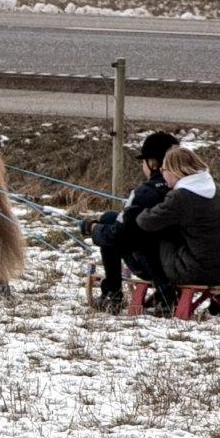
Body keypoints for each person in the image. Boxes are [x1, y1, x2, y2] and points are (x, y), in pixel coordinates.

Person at [79, 131, 179, 313]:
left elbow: (117, 233)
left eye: (143, 161)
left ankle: (113, 293)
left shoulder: (145, 193)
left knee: (109, 219)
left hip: (157, 268)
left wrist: (93, 228)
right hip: (185, 259)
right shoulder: (186, 187)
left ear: (152, 163)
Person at [135, 146, 220, 295]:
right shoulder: (215, 188)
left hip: (199, 271)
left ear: (174, 171)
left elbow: (146, 222)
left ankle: (163, 289)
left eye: (163, 170)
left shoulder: (181, 196)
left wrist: (141, 209)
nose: (162, 174)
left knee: (158, 235)